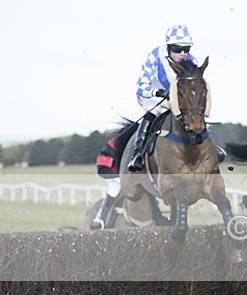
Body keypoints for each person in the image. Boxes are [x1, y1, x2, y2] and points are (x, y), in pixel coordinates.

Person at [90, 24, 225, 229]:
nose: (182, 53)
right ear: (169, 47)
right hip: (154, 99)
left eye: (186, 49)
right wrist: (159, 94)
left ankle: (210, 147)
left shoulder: (192, 60)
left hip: (179, 101)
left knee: (194, 113)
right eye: (178, 49)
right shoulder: (155, 57)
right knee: (154, 115)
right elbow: (142, 86)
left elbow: (198, 83)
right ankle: (137, 152)